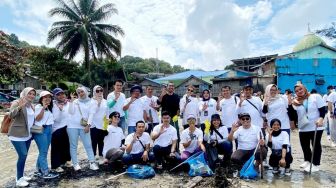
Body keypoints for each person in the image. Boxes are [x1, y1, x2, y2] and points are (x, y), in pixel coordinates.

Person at [292, 84, 325, 172]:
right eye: (297, 91)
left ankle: (315, 164)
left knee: (316, 145)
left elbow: (322, 109)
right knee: (304, 145)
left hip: (315, 126)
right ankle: (308, 160)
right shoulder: (296, 101)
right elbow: (295, 114)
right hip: (303, 127)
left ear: (305, 88)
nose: (299, 91)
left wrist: (321, 119)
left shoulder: (315, 97)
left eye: (300, 89)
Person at [8, 87, 36, 187]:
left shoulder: (31, 105)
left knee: (23, 157)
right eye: (30, 93)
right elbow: (10, 115)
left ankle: (21, 176)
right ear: (24, 93)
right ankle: (19, 179)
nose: (32, 96)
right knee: (23, 155)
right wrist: (20, 107)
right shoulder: (17, 102)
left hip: (27, 135)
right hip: (16, 135)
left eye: (33, 94)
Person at [67, 87, 99, 171]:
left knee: (88, 144)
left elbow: (91, 114)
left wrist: (88, 125)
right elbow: (70, 112)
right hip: (72, 126)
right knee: (73, 145)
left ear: (86, 92)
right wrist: (71, 102)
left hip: (84, 126)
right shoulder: (75, 101)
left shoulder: (92, 102)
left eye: (82, 92)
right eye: (79, 92)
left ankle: (92, 162)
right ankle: (75, 164)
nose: (81, 93)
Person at [33, 91, 59, 179]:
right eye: (45, 97)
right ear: (41, 99)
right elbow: (37, 118)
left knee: (43, 151)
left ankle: (38, 170)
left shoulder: (50, 107)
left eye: (49, 97)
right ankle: (45, 172)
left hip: (48, 130)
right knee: (43, 152)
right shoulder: (38, 107)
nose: (47, 98)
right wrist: (43, 108)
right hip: (41, 130)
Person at [51, 88, 71, 173]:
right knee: (56, 147)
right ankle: (56, 165)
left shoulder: (68, 103)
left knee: (66, 145)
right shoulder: (53, 104)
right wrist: (59, 109)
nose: (61, 96)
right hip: (57, 129)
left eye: (62, 93)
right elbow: (55, 119)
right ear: (54, 96)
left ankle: (65, 161)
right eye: (58, 94)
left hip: (67, 127)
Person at [88, 85, 109, 164]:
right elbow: (92, 113)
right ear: (94, 92)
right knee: (94, 142)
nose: (99, 92)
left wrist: (106, 125)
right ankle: (92, 157)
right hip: (94, 125)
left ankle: (100, 156)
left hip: (102, 124)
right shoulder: (91, 101)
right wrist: (98, 103)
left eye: (101, 90)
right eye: (97, 91)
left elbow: (107, 112)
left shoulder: (105, 101)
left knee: (101, 141)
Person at [157, 82, 180, 150]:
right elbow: (158, 102)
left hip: (174, 118)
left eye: (172, 86)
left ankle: (176, 149)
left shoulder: (176, 96)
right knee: (165, 133)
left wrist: (177, 114)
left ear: (174, 88)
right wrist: (162, 94)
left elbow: (178, 107)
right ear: (167, 87)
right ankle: (165, 149)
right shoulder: (163, 95)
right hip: (165, 118)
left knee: (176, 133)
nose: (171, 87)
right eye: (170, 86)